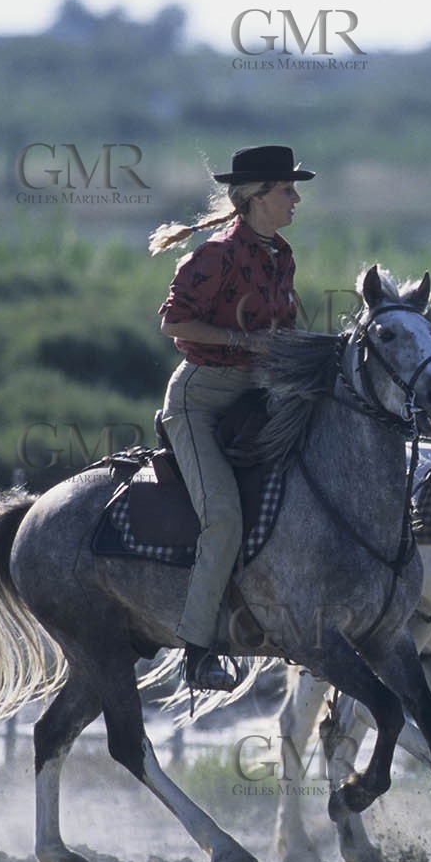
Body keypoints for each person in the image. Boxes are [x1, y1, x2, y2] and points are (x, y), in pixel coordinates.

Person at [147, 144, 314, 691]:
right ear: (258, 197)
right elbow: (174, 323)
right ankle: (198, 652)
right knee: (223, 518)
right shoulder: (214, 255)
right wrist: (244, 341)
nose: (295, 199)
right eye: (287, 190)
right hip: (201, 401)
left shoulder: (282, 254)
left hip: (261, 394)